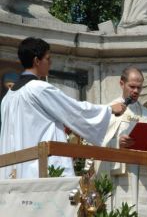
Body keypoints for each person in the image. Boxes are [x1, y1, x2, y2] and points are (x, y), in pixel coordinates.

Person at [0, 37, 126, 179]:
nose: (50, 63)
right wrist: (109, 110)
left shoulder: (8, 97)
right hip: (39, 168)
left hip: (14, 169)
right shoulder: (38, 88)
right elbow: (74, 110)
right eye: (48, 58)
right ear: (36, 61)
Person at [96, 66, 147, 216]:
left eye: (139, 88)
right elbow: (97, 144)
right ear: (122, 83)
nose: (135, 91)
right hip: (119, 177)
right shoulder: (109, 110)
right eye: (132, 86)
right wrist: (117, 144)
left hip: (142, 178)